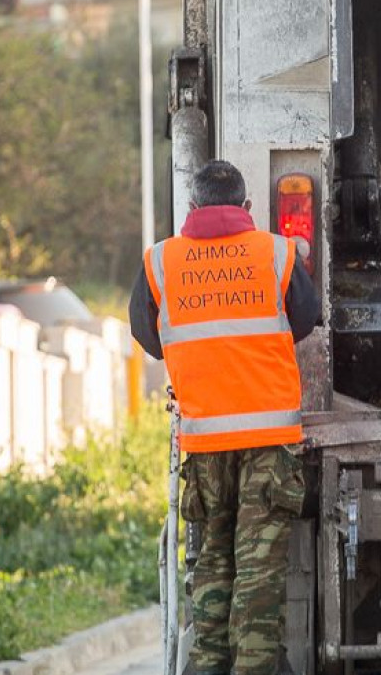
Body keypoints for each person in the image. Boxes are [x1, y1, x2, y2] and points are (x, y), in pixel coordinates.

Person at [130, 160, 321, 675]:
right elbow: (305, 319)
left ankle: (207, 665)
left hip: (205, 443)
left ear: (192, 208)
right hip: (267, 440)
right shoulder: (276, 252)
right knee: (258, 574)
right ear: (246, 208)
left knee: (213, 560)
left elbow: (148, 335)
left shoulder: (160, 262)